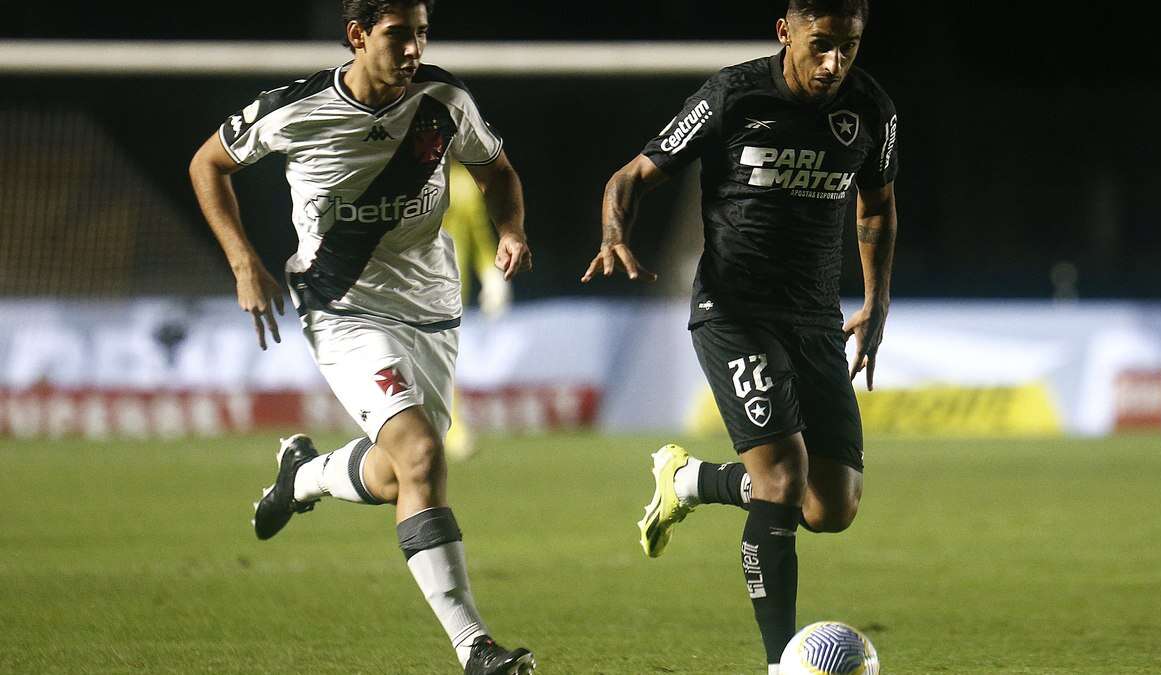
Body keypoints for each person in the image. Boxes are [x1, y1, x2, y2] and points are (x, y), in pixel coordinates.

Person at [187, 1, 535, 673]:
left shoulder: (443, 98)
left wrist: (511, 229)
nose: (413, 49)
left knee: (403, 471)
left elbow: (498, 170)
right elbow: (208, 164)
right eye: (398, 35)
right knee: (421, 450)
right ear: (357, 36)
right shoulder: (295, 108)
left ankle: (307, 473)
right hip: (341, 304)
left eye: (422, 34)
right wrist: (243, 261)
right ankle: (475, 645)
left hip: (432, 305)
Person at [581, 0, 898, 672]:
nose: (834, 63)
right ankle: (780, 660)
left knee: (831, 504)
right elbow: (631, 176)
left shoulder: (871, 110)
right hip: (734, 313)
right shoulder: (733, 95)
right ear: (785, 32)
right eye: (821, 45)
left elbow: (877, 203)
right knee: (782, 478)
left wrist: (877, 298)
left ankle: (690, 480)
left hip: (814, 320)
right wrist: (615, 234)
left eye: (849, 46)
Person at [442, 160, 512, 461]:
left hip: (449, 287)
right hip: (404, 283)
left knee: (440, 359)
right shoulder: (399, 172)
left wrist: (491, 274)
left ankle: (453, 430)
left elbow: (480, 236)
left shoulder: (463, 183)